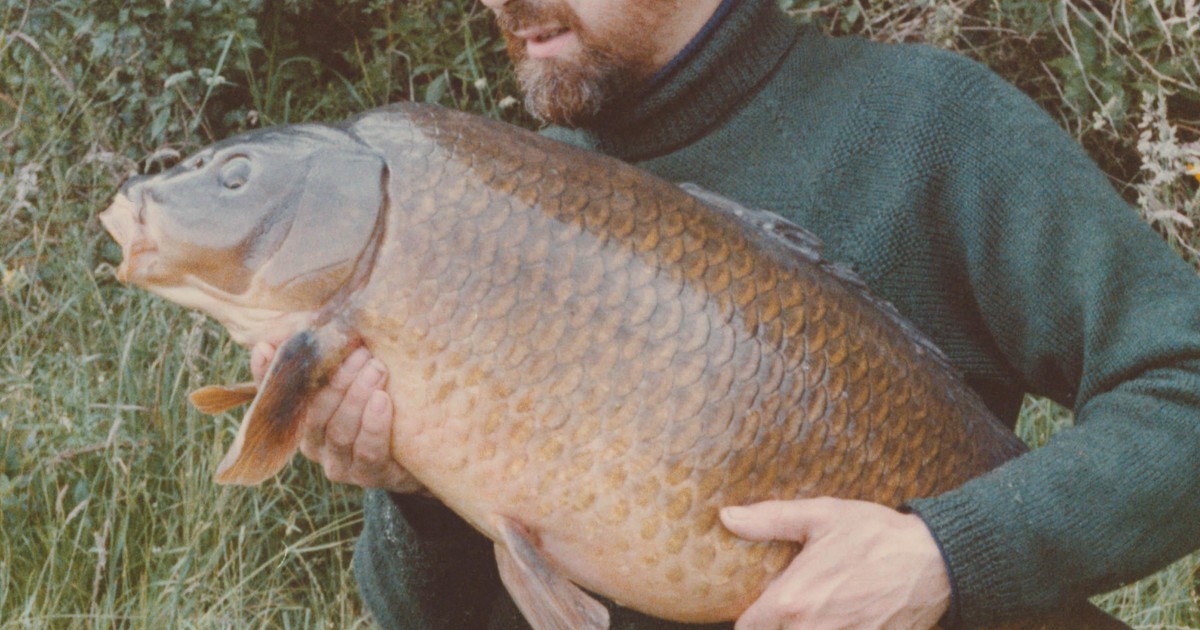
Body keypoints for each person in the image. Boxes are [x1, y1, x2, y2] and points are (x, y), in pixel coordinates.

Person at [250, 0, 1200, 627]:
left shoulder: (926, 128)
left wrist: (944, 554)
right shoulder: (495, 198)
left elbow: (1183, 385)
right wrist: (413, 494)